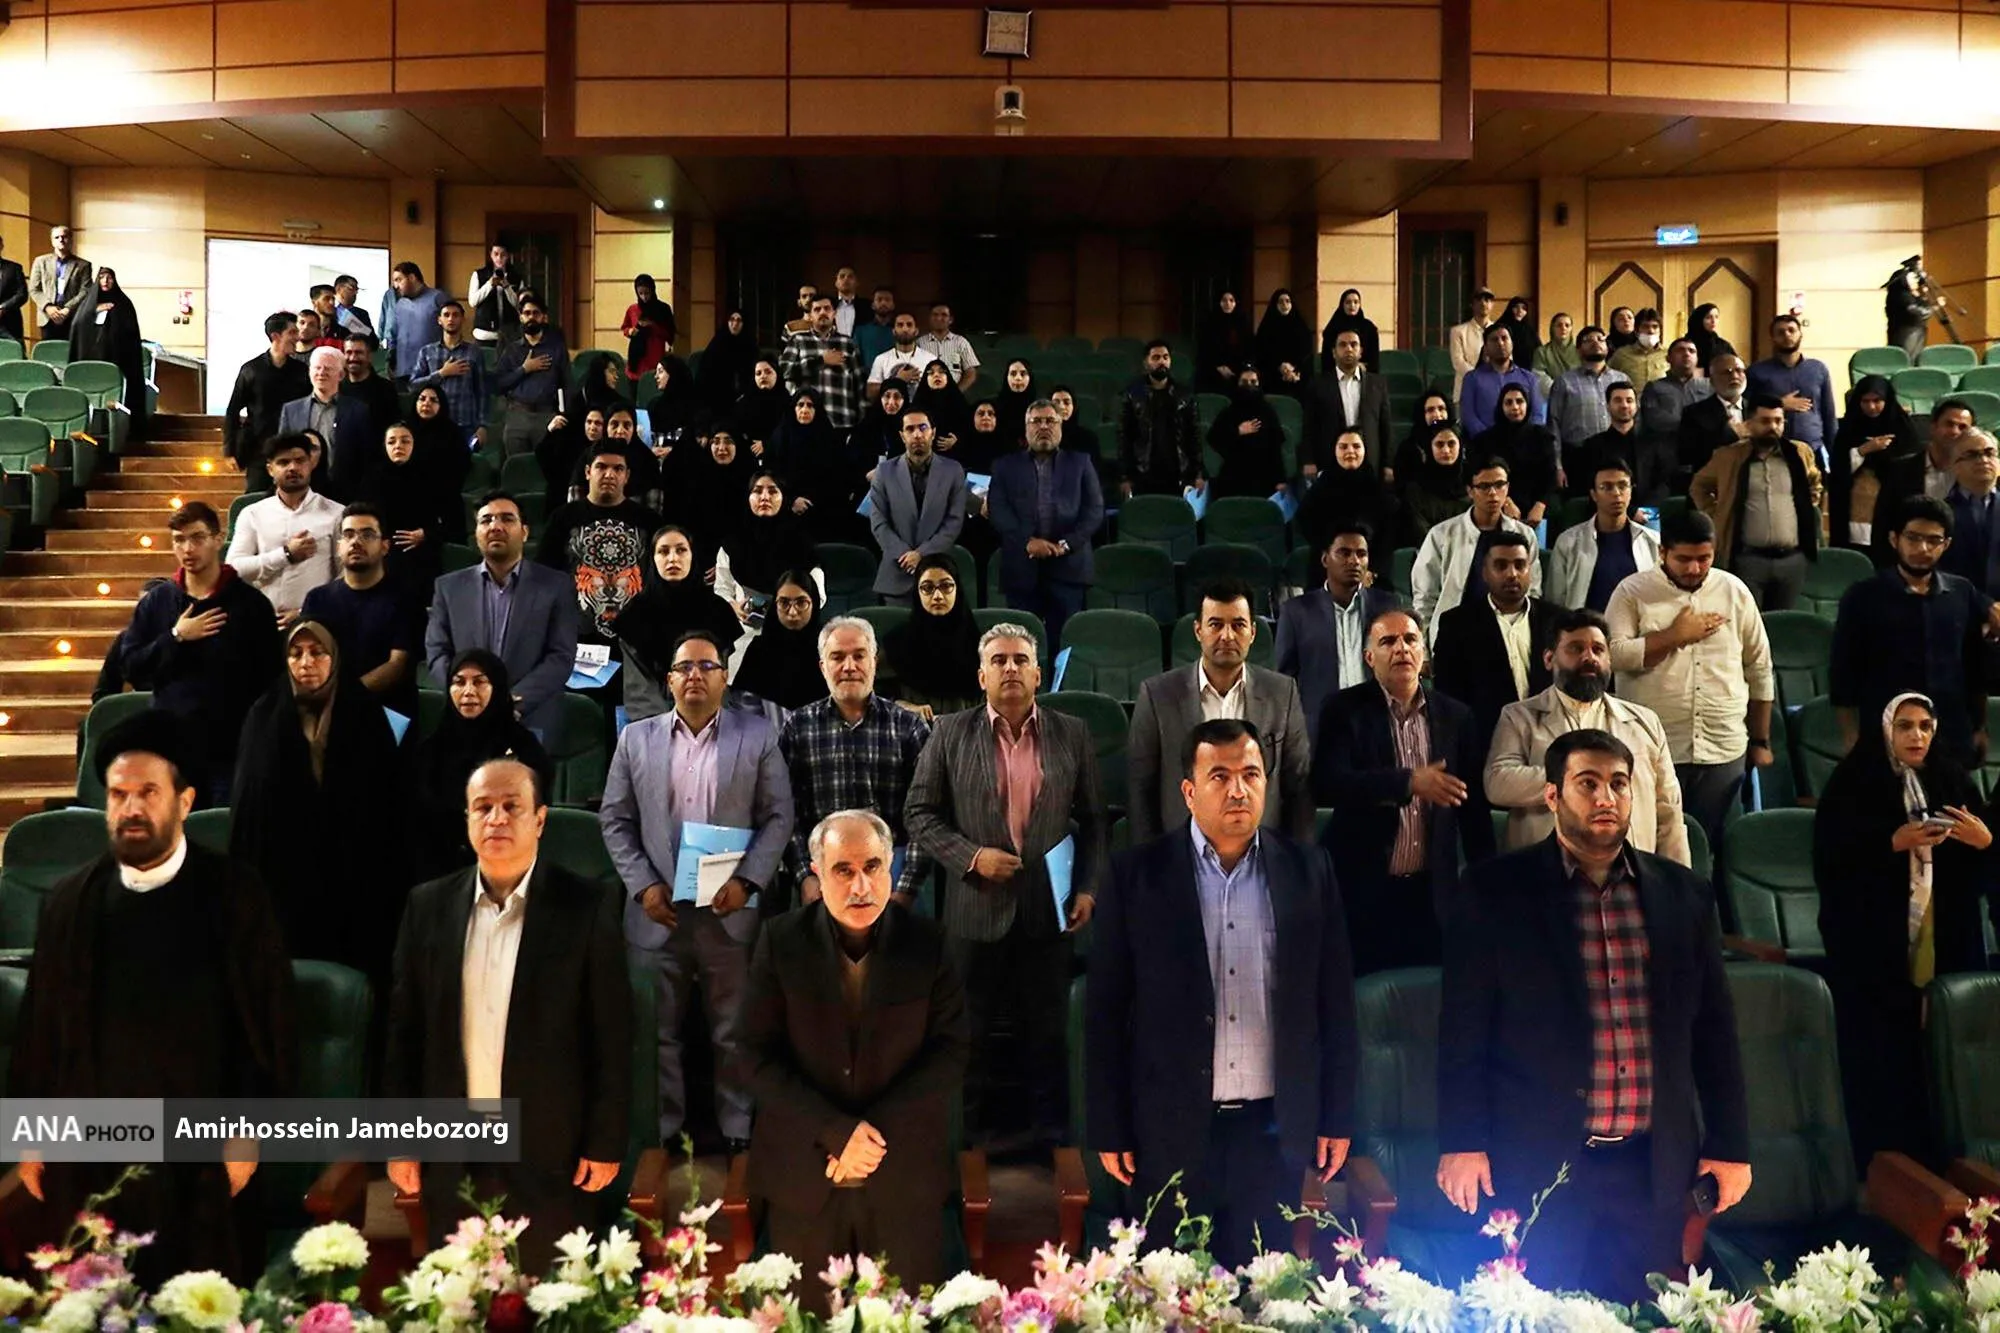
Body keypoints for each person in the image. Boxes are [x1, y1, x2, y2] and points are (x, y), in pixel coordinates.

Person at [1438, 727, 1750, 1303]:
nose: (1606, 797)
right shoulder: (1491, 892)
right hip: (1541, 1161)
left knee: (1641, 1314)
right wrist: (1462, 1140)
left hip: (1651, 1167)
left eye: (1618, 784)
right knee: (1540, 1314)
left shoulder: (1683, 894)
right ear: (1552, 795)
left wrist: (1730, 1144)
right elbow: (1462, 1030)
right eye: (1588, 783)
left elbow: (1715, 1032)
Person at [10, 711, 295, 1286]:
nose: (131, 809)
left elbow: (267, 1028)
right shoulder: (70, 901)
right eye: (118, 795)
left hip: (200, 1160)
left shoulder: (236, 896)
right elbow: (40, 1031)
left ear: (184, 802)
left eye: (148, 793)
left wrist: (248, 1132)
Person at [1086, 717, 1359, 1269]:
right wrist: (1109, 1124)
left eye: (1251, 774)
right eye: (1220, 777)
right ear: (1189, 792)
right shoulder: (1136, 875)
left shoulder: (1309, 871)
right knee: (1171, 1289)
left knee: (1264, 1286)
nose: (1238, 790)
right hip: (1171, 1127)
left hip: (1273, 1128)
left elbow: (1335, 1004)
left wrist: (1338, 1114)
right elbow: (1106, 1011)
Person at [385, 755, 629, 1272]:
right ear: (467, 819)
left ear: (539, 820)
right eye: (483, 807)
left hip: (551, 1150)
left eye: (511, 806)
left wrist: (605, 1141)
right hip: (453, 1149)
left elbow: (611, 1036)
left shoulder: (586, 906)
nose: (496, 818)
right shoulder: (427, 906)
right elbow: (405, 1032)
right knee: (461, 1298)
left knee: (551, 1298)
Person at [738, 809, 968, 1296]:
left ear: (891, 868)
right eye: (843, 870)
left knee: (905, 1321)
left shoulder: (929, 943)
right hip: (804, 1175)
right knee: (804, 1321)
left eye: (873, 867)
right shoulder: (780, 941)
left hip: (904, 1177)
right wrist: (835, 1131)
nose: (861, 886)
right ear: (817, 874)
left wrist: (865, 1138)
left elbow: (950, 1055)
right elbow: (754, 1056)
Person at [904, 622, 1105, 1151]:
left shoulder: (1072, 733)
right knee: (967, 1035)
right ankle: (967, 1146)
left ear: (1038, 674)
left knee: (1048, 1034)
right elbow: (918, 812)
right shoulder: (949, 733)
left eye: (1020, 660)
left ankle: (1052, 1146)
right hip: (974, 911)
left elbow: (1094, 820)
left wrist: (1088, 888)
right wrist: (971, 857)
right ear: (981, 676)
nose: (1010, 669)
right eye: (999, 661)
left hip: (1048, 909)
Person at [600, 628, 795, 1154]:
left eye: (706, 666)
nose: (695, 675)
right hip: (657, 910)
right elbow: (614, 820)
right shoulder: (635, 739)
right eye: (684, 666)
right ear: (668, 680)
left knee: (732, 1031)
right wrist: (643, 887)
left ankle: (736, 1130)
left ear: (724, 678)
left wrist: (748, 881)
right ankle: (662, 1132)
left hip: (728, 910)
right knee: (657, 1033)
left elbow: (779, 817)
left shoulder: (757, 736)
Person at [1815, 693, 1993, 1164]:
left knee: (1943, 1053)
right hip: (1877, 945)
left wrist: (1984, 841)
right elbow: (1832, 863)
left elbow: (1983, 868)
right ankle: (1884, 1162)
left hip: (1946, 935)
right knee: (1886, 1054)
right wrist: (1891, 842)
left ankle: (1952, 1161)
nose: (1917, 736)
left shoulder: (1952, 779)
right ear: (1885, 730)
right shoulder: (1854, 783)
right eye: (1906, 726)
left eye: (1925, 726)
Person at [1314, 607, 1494, 971]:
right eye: (1388, 641)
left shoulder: (1456, 716)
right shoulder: (1343, 709)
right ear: (1369, 657)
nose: (1402, 649)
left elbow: (1473, 811)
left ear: (1423, 651)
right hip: (1363, 892)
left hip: (1433, 894)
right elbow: (1328, 783)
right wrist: (1407, 782)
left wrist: (1484, 885)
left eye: (1411, 639)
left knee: (1433, 995)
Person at [231, 619, 408, 979]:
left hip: (355, 878)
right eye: (296, 654)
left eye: (317, 652)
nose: (306, 663)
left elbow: (388, 806)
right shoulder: (264, 716)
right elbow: (249, 809)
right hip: (283, 879)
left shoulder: (364, 714)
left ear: (335, 657)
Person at [1605, 508, 1776, 852]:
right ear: (1662, 552)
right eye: (1684, 559)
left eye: (1704, 559)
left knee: (1714, 849)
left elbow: (1759, 668)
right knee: (1653, 848)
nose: (1695, 568)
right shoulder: (1632, 591)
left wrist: (1760, 740)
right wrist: (1675, 636)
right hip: (1652, 746)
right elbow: (1613, 655)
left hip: (1723, 746)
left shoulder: (1735, 591)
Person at [1483, 609, 1691, 864]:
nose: (1589, 657)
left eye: (1598, 650)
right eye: (1576, 649)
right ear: (1549, 659)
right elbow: (1497, 783)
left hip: (1630, 869)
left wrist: (1678, 879)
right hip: (1546, 873)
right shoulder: (1520, 717)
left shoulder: (1644, 723)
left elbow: (1669, 811)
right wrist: (1572, 778)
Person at [111, 501, 281, 806]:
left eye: (197, 538)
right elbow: (131, 667)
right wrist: (176, 637)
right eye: (179, 540)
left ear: (218, 539)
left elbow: (271, 680)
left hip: (234, 747)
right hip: (173, 746)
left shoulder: (251, 604)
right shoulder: (157, 602)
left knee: (224, 828)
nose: (188, 548)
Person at [1128, 578, 1314, 843]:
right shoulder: (1158, 695)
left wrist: (1297, 858)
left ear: (1253, 632)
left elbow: (1299, 787)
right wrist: (1151, 861)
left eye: (1238, 625)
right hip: (1181, 852)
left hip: (1262, 850)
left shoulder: (1282, 693)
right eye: (1216, 625)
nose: (1227, 636)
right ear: (1198, 631)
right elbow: (1141, 790)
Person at [777, 615, 935, 908]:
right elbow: (786, 812)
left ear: (874, 662)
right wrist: (804, 876)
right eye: (837, 657)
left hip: (894, 870)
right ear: (823, 667)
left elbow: (925, 813)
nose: (849, 666)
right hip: (823, 873)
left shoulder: (908, 727)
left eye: (859, 656)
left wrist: (906, 887)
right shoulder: (798, 727)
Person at [1831, 496, 1995, 767]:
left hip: (1951, 734)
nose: (1923, 548)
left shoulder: (1961, 593)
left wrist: (1979, 726)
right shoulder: (1863, 596)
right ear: (1894, 539)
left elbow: (1975, 668)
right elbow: (1843, 674)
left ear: (1946, 544)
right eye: (1913, 538)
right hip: (1886, 734)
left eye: (1933, 540)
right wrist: (1850, 735)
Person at [425, 491, 581, 745]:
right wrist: (470, 695)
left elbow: (561, 656)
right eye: (486, 520)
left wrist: (509, 701)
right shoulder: (448, 587)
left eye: (507, 519)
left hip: (529, 717)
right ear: (476, 533)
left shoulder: (556, 586)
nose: (495, 526)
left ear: (525, 532)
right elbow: (437, 653)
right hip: (467, 718)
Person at [407, 649, 550, 877]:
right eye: (459, 682)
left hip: (508, 868)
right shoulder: (430, 752)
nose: (468, 691)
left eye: (479, 682)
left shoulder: (525, 750)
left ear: (497, 688)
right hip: (438, 873)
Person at [1690, 393, 1824, 610]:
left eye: (1778, 421)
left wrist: (1809, 505)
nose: (1773, 427)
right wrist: (1717, 514)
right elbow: (1699, 486)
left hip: (1793, 559)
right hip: (1748, 559)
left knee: (1785, 622)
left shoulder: (1799, 453)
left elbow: (1815, 482)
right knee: (1749, 622)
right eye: (1765, 421)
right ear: (1750, 424)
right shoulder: (1729, 457)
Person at [988, 399, 1104, 648]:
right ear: (1026, 428)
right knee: (1021, 645)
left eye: (1050, 421)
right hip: (1021, 568)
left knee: (1064, 645)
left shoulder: (1081, 463)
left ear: (1061, 426)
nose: (1043, 427)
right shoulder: (1005, 466)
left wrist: (1065, 545)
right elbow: (998, 511)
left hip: (1069, 569)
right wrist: (1028, 542)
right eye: (1036, 421)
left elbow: (1094, 511)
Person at [1276, 522, 1402, 746]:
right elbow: (1285, 680)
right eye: (1344, 553)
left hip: (1377, 725)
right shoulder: (1297, 611)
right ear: (1325, 559)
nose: (1354, 561)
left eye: (1361, 554)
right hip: (1320, 730)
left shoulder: (1387, 606)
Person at [1431, 530, 1560, 748]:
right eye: (1501, 566)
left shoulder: (1557, 620)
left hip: (1549, 738)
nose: (1512, 574)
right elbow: (1448, 696)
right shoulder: (1457, 624)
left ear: (1530, 570)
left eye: (1520, 565)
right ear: (1485, 573)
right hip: (1486, 742)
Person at [300, 501, 424, 722]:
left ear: (385, 546)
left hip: (388, 714)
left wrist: (344, 699)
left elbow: (397, 665)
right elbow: (309, 658)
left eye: (367, 535)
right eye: (348, 535)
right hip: (330, 711)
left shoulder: (406, 598)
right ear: (339, 547)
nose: (356, 542)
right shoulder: (317, 599)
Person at [612, 524, 740, 722]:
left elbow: (718, 679)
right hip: (654, 721)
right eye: (663, 552)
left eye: (681, 550)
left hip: (711, 718)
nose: (673, 558)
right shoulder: (635, 616)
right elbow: (640, 692)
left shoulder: (717, 611)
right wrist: (669, 731)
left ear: (692, 556)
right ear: (653, 559)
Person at [536, 444, 653, 655]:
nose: (609, 474)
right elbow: (543, 576)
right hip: (576, 640)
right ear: (588, 472)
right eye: (601, 467)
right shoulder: (563, 518)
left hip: (635, 641)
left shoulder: (649, 521)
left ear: (627, 476)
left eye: (618, 468)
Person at [1410, 456, 1541, 638]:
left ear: (1508, 487)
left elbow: (1532, 591)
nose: (1493, 493)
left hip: (1509, 632)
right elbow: (1425, 596)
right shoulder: (1442, 534)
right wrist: (1424, 644)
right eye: (1484, 486)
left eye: (1499, 485)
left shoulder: (1524, 534)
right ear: (1470, 491)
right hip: (1455, 634)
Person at [225, 432, 343, 625]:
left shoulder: (336, 513)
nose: (293, 467)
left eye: (300, 461)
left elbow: (344, 575)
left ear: (311, 464)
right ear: (270, 469)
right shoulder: (252, 513)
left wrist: (306, 611)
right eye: (283, 462)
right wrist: (286, 554)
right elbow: (234, 568)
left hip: (317, 623)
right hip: (263, 622)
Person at [867, 407, 969, 599]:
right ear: (902, 436)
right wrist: (905, 554)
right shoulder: (884, 472)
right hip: (897, 572)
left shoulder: (953, 471)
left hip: (940, 575)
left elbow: (954, 522)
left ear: (933, 433)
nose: (917, 434)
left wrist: (922, 554)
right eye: (910, 429)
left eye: (923, 428)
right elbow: (879, 523)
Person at [1545, 457, 1662, 611]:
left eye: (1623, 486)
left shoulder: (1652, 541)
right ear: (1594, 495)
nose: (1617, 493)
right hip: (1585, 624)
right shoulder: (1568, 542)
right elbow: (1555, 602)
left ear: (1631, 491)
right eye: (1606, 487)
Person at [362, 421, 456, 598]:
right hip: (383, 555)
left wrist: (425, 534)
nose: (398, 446)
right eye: (392, 442)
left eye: (405, 441)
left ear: (415, 444)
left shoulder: (432, 479)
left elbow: (452, 522)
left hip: (423, 557)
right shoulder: (371, 480)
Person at [1831, 373, 1923, 548]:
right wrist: (1864, 450)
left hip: (1891, 504)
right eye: (1865, 401)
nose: (1871, 407)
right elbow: (1838, 468)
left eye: (1877, 401)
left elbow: (1911, 465)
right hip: (1856, 507)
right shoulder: (1848, 428)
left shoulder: (1903, 428)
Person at [885, 552, 982, 716]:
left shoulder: (979, 645)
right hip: (912, 726)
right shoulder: (896, 643)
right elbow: (877, 697)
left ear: (957, 589)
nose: (937, 596)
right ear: (917, 592)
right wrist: (904, 707)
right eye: (928, 588)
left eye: (946, 586)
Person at [278, 345, 375, 501]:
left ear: (341, 375)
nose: (321, 373)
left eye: (328, 368)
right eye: (317, 368)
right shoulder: (291, 410)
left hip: (345, 494)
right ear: (309, 372)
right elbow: (282, 453)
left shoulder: (359, 410)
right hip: (301, 492)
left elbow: (367, 457)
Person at [223, 312, 308, 487]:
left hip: (293, 448)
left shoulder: (301, 371)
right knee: (257, 496)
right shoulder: (251, 370)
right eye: (292, 333)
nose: (298, 338)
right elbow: (233, 410)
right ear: (275, 336)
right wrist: (229, 450)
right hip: (258, 450)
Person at [66, 265, 148, 441]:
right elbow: (78, 326)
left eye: (109, 277)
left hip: (117, 360)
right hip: (91, 360)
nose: (105, 281)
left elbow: (129, 332)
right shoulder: (87, 304)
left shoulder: (124, 304)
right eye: (102, 277)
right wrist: (94, 310)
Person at [1747, 313, 1836, 465]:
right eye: (1780, 332)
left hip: (1812, 448)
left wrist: (1835, 454)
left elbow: (1829, 414)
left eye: (1791, 330)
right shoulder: (1757, 371)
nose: (1787, 335)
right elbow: (1747, 409)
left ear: (1800, 334)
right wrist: (1780, 404)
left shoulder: (1818, 369)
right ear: (1773, 338)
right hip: (1772, 450)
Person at [733, 571, 829, 714]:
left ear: (813, 603)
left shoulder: (829, 648)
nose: (792, 612)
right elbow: (740, 704)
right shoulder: (759, 648)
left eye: (801, 603)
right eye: (784, 603)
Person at [1118, 340, 1203, 497]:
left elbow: (1194, 436)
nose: (1162, 362)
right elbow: (1124, 438)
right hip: (1143, 472)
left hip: (1177, 471)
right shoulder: (1132, 394)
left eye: (1165, 357)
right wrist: (1125, 477)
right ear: (1146, 363)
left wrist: (1198, 474)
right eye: (1156, 358)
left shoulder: (1185, 395)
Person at [494, 293, 574, 456]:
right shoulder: (512, 350)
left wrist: (563, 415)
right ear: (521, 317)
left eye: (536, 313)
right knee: (517, 466)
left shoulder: (556, 348)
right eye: (527, 313)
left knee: (546, 465)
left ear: (543, 317)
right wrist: (524, 369)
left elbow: (567, 384)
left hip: (546, 415)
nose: (531, 317)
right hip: (517, 416)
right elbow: (498, 384)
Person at [1307, 327, 1394, 476]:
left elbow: (1385, 426)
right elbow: (1309, 426)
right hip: (1329, 460)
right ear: (1334, 352)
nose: (1349, 349)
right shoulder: (1318, 385)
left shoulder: (1378, 384)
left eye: (1354, 344)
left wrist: (1388, 464)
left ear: (1360, 351)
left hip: (1369, 461)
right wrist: (1309, 460)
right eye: (1343, 345)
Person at [1296, 429, 1400, 554]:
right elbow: (1306, 523)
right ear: (1334, 451)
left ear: (1365, 450)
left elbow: (1387, 534)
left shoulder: (1377, 490)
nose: (1350, 451)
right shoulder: (1320, 489)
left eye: (1356, 446)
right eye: (1343, 447)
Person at [1470, 383, 1558, 524]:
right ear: (1501, 406)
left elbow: (1550, 476)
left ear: (1527, 405)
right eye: (1508, 402)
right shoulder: (1486, 440)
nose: (1515, 407)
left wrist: (1540, 505)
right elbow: (1486, 478)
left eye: (1519, 401)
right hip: (1500, 503)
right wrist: (1505, 502)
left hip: (1538, 507)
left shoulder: (1542, 437)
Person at [1639, 338, 1712, 498]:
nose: (1686, 354)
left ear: (1697, 358)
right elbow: (1654, 420)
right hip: (1664, 464)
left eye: (1691, 351)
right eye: (1680, 350)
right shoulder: (1655, 387)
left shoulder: (1709, 387)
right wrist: (1696, 427)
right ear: (1668, 358)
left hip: (1703, 463)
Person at [409, 300, 488, 446]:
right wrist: (441, 373)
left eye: (455, 315)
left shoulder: (474, 352)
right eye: (446, 315)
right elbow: (413, 386)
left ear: (463, 319)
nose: (451, 319)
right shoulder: (427, 352)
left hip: (464, 423)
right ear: (439, 320)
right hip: (432, 423)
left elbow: (482, 392)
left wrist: (482, 425)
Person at [781, 294, 864, 433]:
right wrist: (820, 361)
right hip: (807, 421)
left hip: (841, 421)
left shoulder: (848, 343)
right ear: (810, 316)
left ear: (834, 313)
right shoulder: (798, 340)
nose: (822, 312)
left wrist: (861, 422)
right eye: (817, 309)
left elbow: (860, 384)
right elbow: (785, 371)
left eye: (827, 308)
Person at [1547, 326, 1631, 461]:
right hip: (1577, 455)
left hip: (1618, 453)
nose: (1595, 342)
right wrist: (1557, 464)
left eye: (1600, 339)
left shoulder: (1621, 379)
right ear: (1578, 350)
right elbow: (1553, 424)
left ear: (1607, 347)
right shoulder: (1564, 382)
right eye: (1588, 340)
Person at [1207, 366, 1288, 498]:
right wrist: (1237, 431)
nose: (1249, 386)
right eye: (1244, 382)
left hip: (1264, 475)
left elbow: (1276, 447)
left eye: (1253, 382)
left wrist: (1280, 480)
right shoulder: (1229, 412)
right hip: (1233, 474)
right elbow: (1214, 439)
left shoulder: (1268, 412)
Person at [1676, 351, 1751, 484]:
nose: (1735, 376)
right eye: (1727, 372)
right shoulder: (1695, 413)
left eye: (1739, 371)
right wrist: (1729, 435)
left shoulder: (1757, 409)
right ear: (1712, 381)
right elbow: (1687, 455)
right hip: (1713, 483)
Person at [1459, 324, 1544, 439]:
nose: (1500, 343)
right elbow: (1468, 415)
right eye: (1494, 340)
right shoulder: (1472, 379)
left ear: (1512, 344)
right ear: (1485, 348)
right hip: (1485, 443)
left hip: (1524, 443)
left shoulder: (1529, 379)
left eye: (1504, 338)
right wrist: (1488, 439)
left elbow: (1537, 415)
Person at [1944, 430, 2000, 599]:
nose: (1983, 460)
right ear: (1954, 466)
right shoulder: (1941, 512)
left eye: (1989, 453)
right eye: (1972, 455)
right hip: (1959, 604)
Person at [1400, 422, 1472, 546]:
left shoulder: (1472, 485)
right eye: (1439, 444)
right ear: (1430, 447)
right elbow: (1420, 531)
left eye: (1451, 444)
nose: (1446, 450)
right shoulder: (1416, 489)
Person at [1566, 381, 1642, 498]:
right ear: (1608, 406)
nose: (1624, 405)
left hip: (1650, 507)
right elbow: (1587, 486)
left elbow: (1663, 483)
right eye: (1618, 400)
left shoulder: (1653, 442)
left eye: (1629, 400)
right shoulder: (1592, 446)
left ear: (1636, 406)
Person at [26, 224, 91, 343]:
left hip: (72, 316)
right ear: (52, 241)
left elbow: (85, 290)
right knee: (48, 350)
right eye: (57, 237)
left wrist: (68, 309)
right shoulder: (40, 262)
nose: (61, 240)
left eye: (64, 236)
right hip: (47, 316)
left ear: (70, 240)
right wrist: (48, 307)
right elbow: (34, 289)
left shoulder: (83, 265)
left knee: (70, 351)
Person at [341, 331, 406, 445]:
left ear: (369, 356)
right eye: (349, 352)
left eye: (359, 353)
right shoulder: (336, 388)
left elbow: (393, 428)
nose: (353, 357)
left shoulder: (385, 389)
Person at [695, 308, 756, 412]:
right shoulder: (718, 343)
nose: (735, 324)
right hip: (716, 396)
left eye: (739, 320)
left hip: (743, 396)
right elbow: (705, 372)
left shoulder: (750, 345)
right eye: (732, 320)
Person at [1256, 288, 1315, 392]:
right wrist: (1280, 366)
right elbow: (1261, 353)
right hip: (1272, 378)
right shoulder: (1266, 328)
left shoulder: (1302, 328)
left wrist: (1293, 369)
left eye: (1287, 301)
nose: (1284, 304)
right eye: (1280, 301)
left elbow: (1307, 354)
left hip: (1297, 376)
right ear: (1275, 305)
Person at [621, 272, 676, 382]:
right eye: (640, 293)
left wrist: (653, 326)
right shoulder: (633, 309)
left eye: (647, 293)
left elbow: (670, 334)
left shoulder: (663, 309)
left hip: (655, 358)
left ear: (652, 290)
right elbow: (625, 328)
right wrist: (630, 331)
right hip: (636, 360)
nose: (644, 297)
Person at [1197, 290, 1255, 392]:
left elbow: (1249, 349)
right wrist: (1218, 367)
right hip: (1213, 369)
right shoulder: (1210, 323)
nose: (1227, 303)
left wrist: (1239, 368)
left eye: (1231, 300)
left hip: (1238, 370)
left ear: (1236, 303)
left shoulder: (1243, 324)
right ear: (1219, 303)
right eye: (1224, 300)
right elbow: (1204, 350)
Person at [917, 300, 981, 390]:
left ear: (950, 320)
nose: (939, 318)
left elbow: (971, 373)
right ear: (930, 318)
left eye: (944, 315)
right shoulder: (920, 343)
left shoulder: (961, 342)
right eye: (935, 315)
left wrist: (957, 392)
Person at [1885, 258, 1936, 361]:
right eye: (1913, 278)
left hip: (1915, 332)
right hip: (1907, 334)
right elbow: (1914, 312)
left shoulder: (1910, 295)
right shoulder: (1901, 295)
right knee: (1907, 359)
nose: (1916, 280)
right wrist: (1933, 308)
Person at [1320, 286, 1381, 373]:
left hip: (1363, 374)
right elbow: (1327, 359)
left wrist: (1359, 367)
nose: (1352, 305)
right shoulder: (1333, 328)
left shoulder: (1369, 328)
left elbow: (1374, 360)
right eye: (1348, 302)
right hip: (1337, 374)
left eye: (1356, 302)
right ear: (1342, 305)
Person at [1448, 288, 1495, 399]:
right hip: (1466, 388)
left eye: (1487, 300)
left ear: (1492, 304)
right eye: (1479, 299)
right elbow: (1458, 362)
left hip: (1494, 387)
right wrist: (1479, 377)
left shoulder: (1501, 331)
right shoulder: (1458, 331)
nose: (1483, 303)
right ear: (1472, 305)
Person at [1607, 307, 1668, 388]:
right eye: (1645, 326)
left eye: (1655, 327)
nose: (1651, 331)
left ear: (1660, 330)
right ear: (1636, 331)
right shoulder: (1621, 354)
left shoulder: (1668, 354)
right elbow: (1607, 378)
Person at [853, 285, 899, 369]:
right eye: (879, 299)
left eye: (887, 300)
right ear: (873, 305)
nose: (883, 303)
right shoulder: (861, 331)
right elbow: (855, 360)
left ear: (893, 305)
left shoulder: (900, 332)